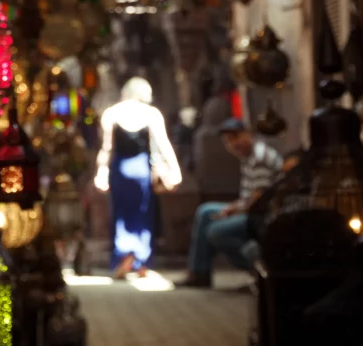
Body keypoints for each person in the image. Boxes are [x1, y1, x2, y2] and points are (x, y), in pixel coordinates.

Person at [177, 119, 283, 287]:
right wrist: (232, 208)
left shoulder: (260, 157)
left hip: (262, 215)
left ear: (248, 134)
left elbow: (258, 199)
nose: (233, 144)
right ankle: (199, 272)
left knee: (215, 232)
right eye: (227, 141)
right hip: (249, 209)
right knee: (205, 211)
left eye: (235, 137)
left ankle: (256, 268)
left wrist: (232, 210)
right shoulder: (248, 156)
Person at [95, 77, 182, 279]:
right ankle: (142, 261)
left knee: (121, 215)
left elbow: (107, 148)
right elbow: (163, 143)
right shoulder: (151, 114)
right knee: (143, 214)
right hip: (141, 169)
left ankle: (125, 255)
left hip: (120, 169)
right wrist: (175, 170)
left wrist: (101, 172)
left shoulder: (112, 113)